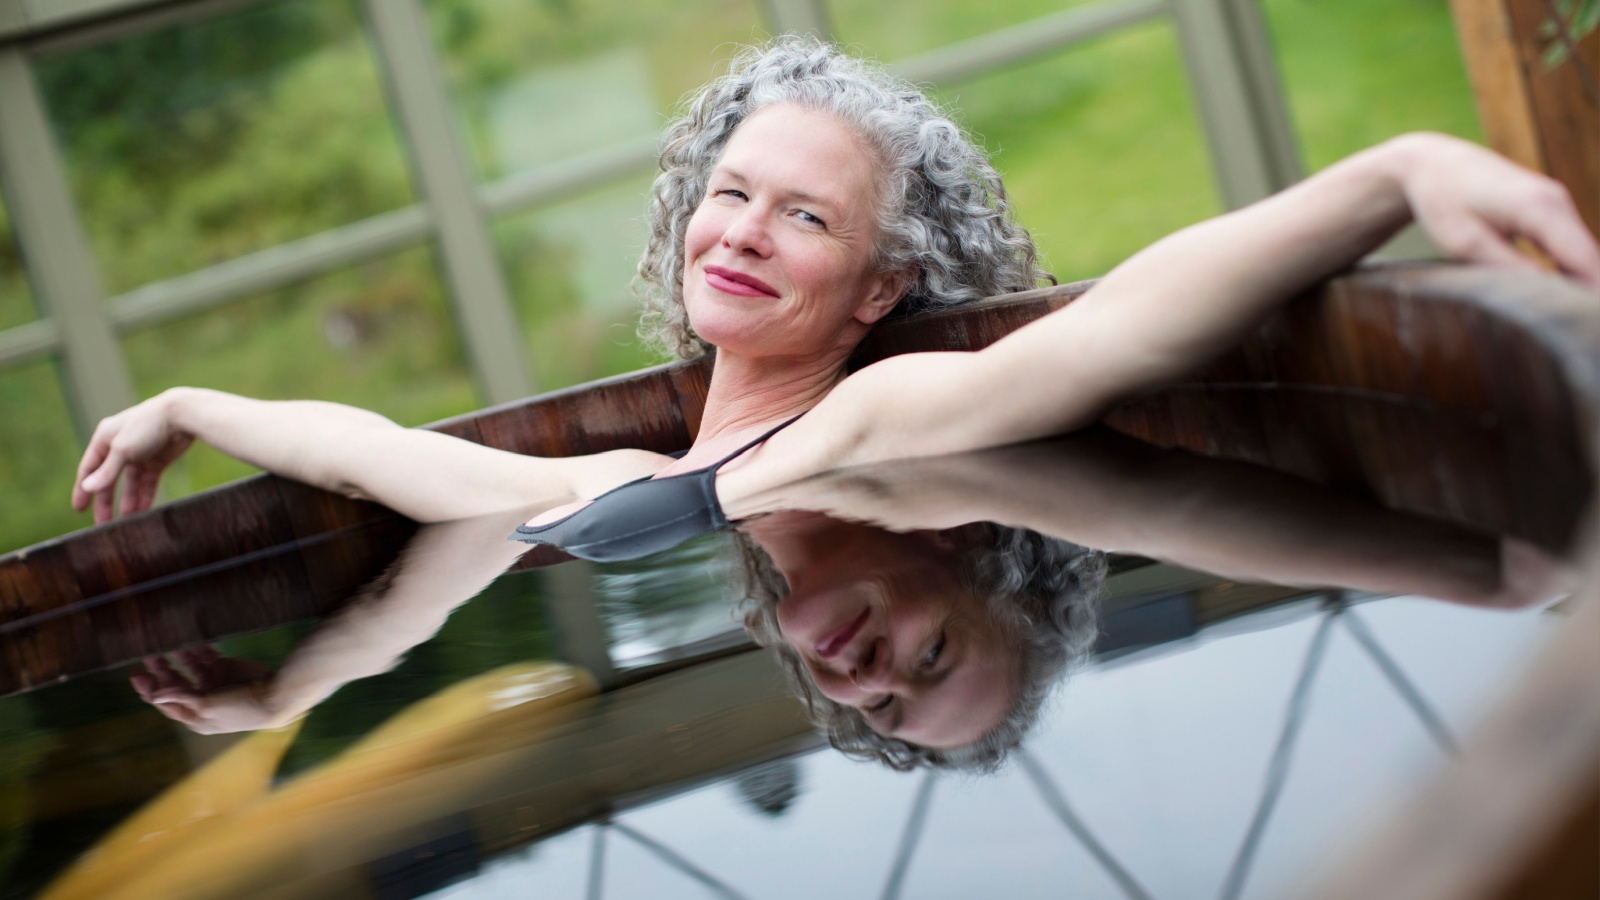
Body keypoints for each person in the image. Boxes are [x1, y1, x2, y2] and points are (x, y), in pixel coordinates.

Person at [80, 37, 1600, 764]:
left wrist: (1401, 171)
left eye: (804, 218)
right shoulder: (648, 471)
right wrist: (197, 405)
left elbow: (1117, 337)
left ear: (878, 290)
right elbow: (396, 464)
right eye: (733, 195)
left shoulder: (883, 432)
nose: (743, 230)